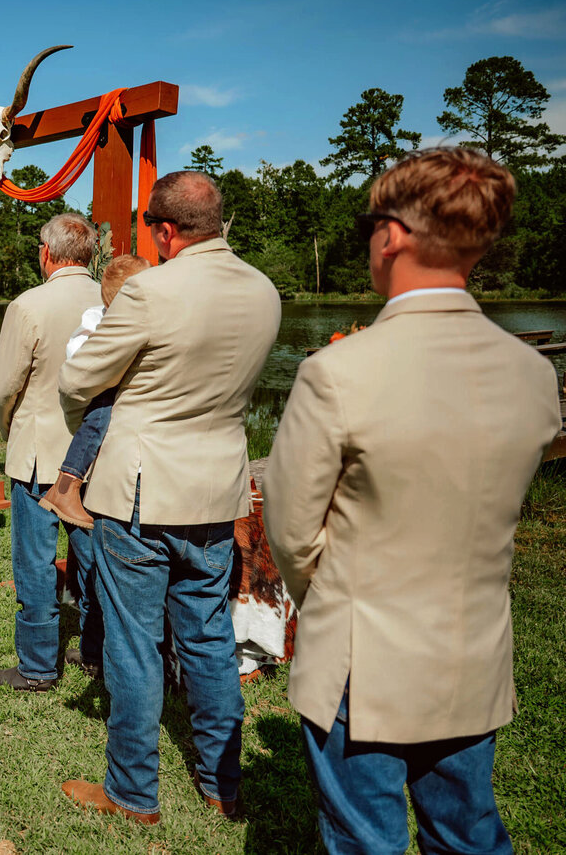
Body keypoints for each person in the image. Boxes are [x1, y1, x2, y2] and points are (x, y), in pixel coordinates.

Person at [262, 147, 560, 854]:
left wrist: (330, 602)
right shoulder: (532, 373)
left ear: (390, 235)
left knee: (367, 840)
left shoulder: (338, 372)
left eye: (369, 224)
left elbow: (292, 531)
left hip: (362, 663)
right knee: (468, 835)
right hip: (474, 650)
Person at [58, 172, 281, 825]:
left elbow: (79, 378)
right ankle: (222, 783)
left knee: (132, 644)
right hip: (219, 488)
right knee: (210, 637)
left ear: (163, 228)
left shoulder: (150, 290)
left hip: (140, 492)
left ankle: (132, 791)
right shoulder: (264, 291)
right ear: (219, 220)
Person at [0, 212, 104, 692]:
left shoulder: (28, 304)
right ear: (90, 255)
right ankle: (96, 650)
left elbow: (1, 387)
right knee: (94, 557)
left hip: (39, 453)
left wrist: (8, 427)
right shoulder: (117, 298)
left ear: (48, 253)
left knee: (34, 561)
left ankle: (36, 666)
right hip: (98, 454)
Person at [39, 254, 151, 530]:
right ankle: (67, 484)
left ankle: (68, 484)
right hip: (100, 389)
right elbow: (81, 357)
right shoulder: (99, 320)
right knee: (99, 417)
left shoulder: (117, 316)